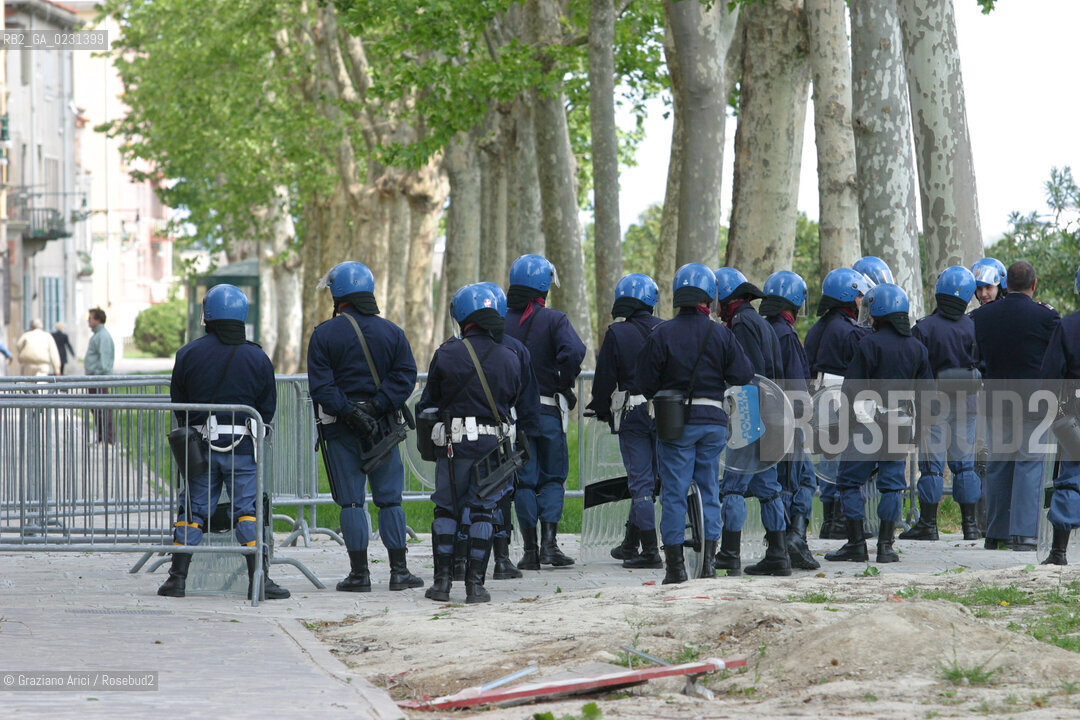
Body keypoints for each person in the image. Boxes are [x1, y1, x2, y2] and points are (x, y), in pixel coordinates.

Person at [158, 284, 290, 600]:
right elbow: (266, 408)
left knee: (193, 509)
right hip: (244, 448)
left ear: (208, 315)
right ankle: (259, 579)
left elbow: (180, 405)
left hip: (200, 448)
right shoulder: (257, 357)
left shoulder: (188, 354)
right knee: (248, 509)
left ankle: (177, 579)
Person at [307, 261, 424, 592]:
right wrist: (377, 406)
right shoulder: (392, 332)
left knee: (352, 502)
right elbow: (405, 376)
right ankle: (399, 572)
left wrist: (350, 412)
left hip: (341, 428)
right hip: (384, 427)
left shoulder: (323, 334)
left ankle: (360, 575)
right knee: (390, 500)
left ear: (338, 294)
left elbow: (322, 386)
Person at [636, 263, 755, 584]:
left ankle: (675, 567)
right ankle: (709, 563)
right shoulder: (722, 334)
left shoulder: (661, 333)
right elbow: (742, 375)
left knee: (674, 492)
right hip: (713, 422)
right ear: (709, 298)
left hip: (674, 423)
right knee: (709, 488)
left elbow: (644, 383)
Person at [420, 284, 533, 603]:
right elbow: (513, 399)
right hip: (492, 448)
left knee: (446, 510)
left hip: (454, 445)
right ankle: (476, 586)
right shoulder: (511, 356)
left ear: (462, 317)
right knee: (483, 512)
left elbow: (431, 401)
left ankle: (442, 584)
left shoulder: (446, 353)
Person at [825, 283, 933, 564]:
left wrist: (843, 426)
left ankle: (857, 544)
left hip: (867, 424)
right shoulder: (917, 348)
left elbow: (851, 390)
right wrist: (919, 431)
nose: (868, 316)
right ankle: (886, 547)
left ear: (881, 311)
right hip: (901, 423)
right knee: (892, 486)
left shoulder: (868, 344)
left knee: (848, 482)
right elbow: (926, 396)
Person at [451, 282, 542, 582]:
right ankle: (502, 559)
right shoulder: (517, 349)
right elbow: (527, 399)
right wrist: (527, 433)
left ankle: (461, 562)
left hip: (461, 435)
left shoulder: (454, 350)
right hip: (504, 433)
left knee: (463, 498)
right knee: (499, 496)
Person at [504, 254, 586, 569]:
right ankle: (550, 545)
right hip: (548, 410)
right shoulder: (554, 319)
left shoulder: (499, 319)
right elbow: (575, 351)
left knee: (524, 480)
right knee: (552, 477)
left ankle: (529, 551)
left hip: (512, 417)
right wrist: (562, 382)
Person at [971, 261, 1059, 551]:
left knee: (999, 464)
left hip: (997, 399)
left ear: (1005, 285)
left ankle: (996, 533)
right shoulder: (1047, 317)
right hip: (1035, 401)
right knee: (1029, 465)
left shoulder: (982, 317)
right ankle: (1024, 535)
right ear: (1034, 285)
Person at [714, 267, 790, 577]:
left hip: (749, 411)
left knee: (733, 486)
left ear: (727, 298)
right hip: (772, 413)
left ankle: (730, 553)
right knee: (768, 487)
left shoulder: (742, 324)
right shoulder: (761, 323)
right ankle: (779, 553)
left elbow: (745, 373)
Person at [586, 273, 665, 569]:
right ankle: (631, 543)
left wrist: (602, 409)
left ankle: (649, 551)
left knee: (641, 481)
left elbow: (604, 380)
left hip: (633, 414)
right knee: (657, 479)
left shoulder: (617, 334)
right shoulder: (666, 328)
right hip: (666, 412)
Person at [904, 267, 982, 541]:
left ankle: (928, 525)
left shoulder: (923, 328)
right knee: (965, 465)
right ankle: (970, 526)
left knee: (933, 466)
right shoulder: (973, 325)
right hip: (967, 403)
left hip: (934, 404)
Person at [804, 267, 872, 538]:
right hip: (839, 396)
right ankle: (841, 522)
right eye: (858, 295)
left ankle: (830, 521)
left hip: (818, 395)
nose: (861, 301)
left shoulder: (817, 328)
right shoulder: (849, 331)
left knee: (828, 458)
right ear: (849, 295)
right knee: (842, 459)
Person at [760, 270, 819, 570]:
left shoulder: (765, 329)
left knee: (800, 479)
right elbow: (797, 384)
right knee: (793, 481)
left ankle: (792, 539)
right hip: (788, 420)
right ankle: (787, 543)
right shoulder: (786, 334)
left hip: (768, 419)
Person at [1038, 265, 1080, 565]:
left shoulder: (1068, 326)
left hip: (1074, 411)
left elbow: (1050, 376)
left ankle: (1059, 551)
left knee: (1071, 477)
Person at [85, 308, 116, 443]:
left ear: (98, 320)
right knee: (97, 409)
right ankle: (102, 437)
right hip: (95, 379)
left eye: (91, 318)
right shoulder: (98, 335)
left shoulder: (102, 336)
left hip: (99, 379)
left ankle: (108, 438)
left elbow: (104, 362)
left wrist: (96, 375)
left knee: (102, 409)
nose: (88, 320)